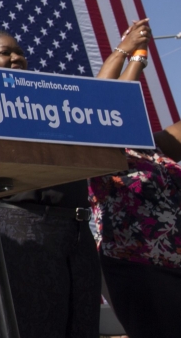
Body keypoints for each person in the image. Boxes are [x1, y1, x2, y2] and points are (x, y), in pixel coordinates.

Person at [0, 26, 108, 338]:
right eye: (5, 52)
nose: (16, 58)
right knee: (37, 326)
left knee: (83, 327)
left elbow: (101, 103)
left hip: (78, 228)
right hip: (26, 223)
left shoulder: (49, 100)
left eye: (20, 53)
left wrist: (129, 55)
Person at [85, 20, 181, 338]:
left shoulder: (156, 149)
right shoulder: (103, 154)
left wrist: (138, 56)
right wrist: (130, 54)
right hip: (137, 270)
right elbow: (103, 103)